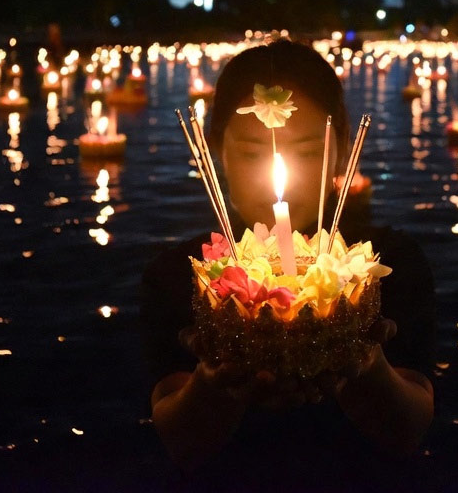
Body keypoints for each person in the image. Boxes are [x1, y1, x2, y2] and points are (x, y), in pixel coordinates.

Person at [141, 39, 435, 483]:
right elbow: (180, 445)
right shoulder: (184, 276)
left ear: (342, 149)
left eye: (310, 151)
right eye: (251, 152)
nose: (278, 181)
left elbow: (408, 431)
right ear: (216, 150)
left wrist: (361, 361)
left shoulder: (385, 268)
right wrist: (216, 384)